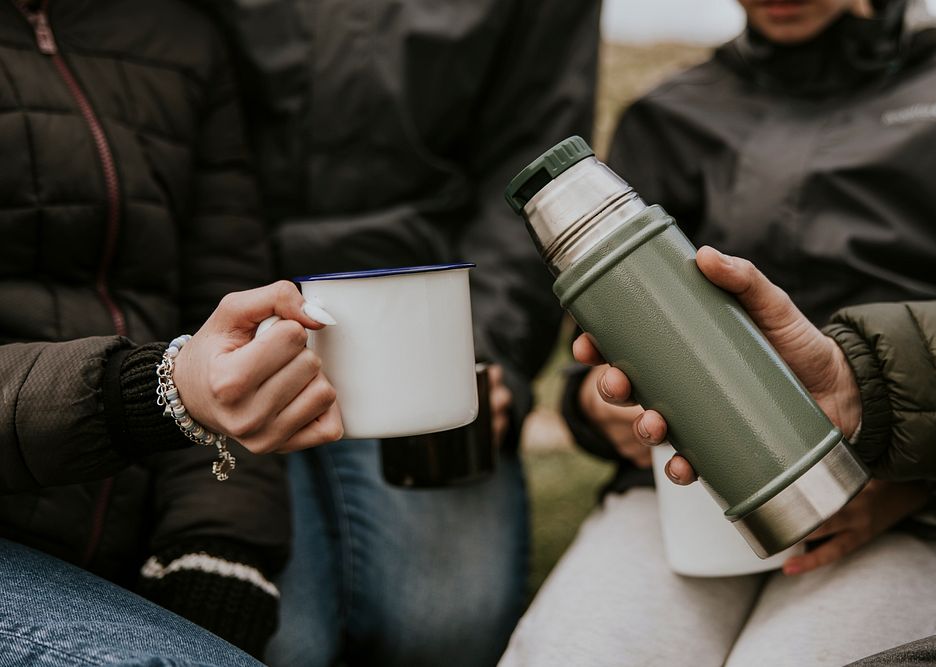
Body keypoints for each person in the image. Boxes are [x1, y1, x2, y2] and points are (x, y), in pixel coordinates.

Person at [501, 0, 936, 664]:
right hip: (681, 505)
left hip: (908, 505)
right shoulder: (671, 113)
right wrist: (599, 406)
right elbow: (593, 357)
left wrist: (916, 489)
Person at [198, 1, 601, 664]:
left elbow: (529, 168)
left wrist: (486, 350)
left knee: (444, 623)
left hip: (427, 317)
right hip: (230, 303)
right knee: (279, 638)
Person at [0, 1, 341, 662]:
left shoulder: (182, 35)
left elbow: (226, 301)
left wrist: (218, 539)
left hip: (130, 516)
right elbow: (182, 376)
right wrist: (154, 390)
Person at [577, 247, 936, 667]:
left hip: (909, 503)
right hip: (672, 507)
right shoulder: (614, 201)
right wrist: (591, 403)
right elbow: (594, 311)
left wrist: (925, 481)